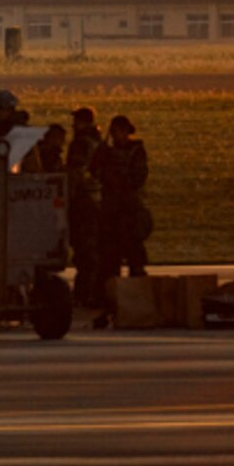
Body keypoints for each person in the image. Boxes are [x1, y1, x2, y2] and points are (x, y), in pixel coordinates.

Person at [90, 115, 150, 317]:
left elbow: (137, 178)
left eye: (118, 131)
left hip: (129, 211)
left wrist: (117, 181)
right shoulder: (106, 152)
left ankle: (138, 298)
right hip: (110, 212)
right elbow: (94, 171)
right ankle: (108, 299)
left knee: (135, 258)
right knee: (109, 259)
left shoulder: (135, 151)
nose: (115, 135)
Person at [65, 108, 104, 308]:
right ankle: (92, 291)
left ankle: (84, 293)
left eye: (76, 121)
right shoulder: (98, 142)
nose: (73, 125)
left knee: (85, 249)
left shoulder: (81, 144)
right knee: (93, 248)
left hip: (83, 200)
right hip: (96, 198)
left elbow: (75, 172)